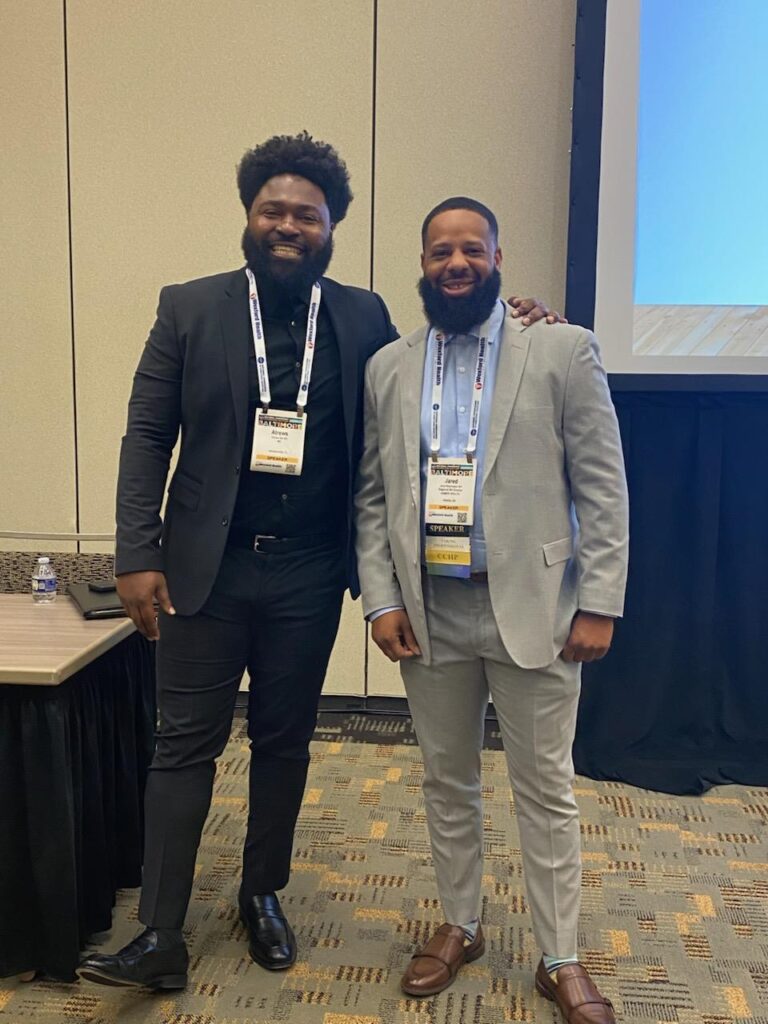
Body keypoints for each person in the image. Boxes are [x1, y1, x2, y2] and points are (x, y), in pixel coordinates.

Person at [77, 137, 557, 992]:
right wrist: (135, 552)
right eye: (274, 210)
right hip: (205, 568)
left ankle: (261, 892)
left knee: (285, 740)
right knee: (182, 744)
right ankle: (160, 930)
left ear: (331, 227)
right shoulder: (189, 307)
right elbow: (146, 434)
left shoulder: (363, 316)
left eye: (307, 214)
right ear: (249, 217)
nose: (288, 225)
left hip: (307, 572)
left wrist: (518, 321)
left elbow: (433, 371)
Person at [354, 196, 629, 1022]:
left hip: (537, 608)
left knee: (545, 788)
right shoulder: (389, 366)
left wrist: (600, 601)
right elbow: (373, 497)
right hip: (430, 609)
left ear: (498, 259)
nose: (456, 263)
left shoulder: (562, 349)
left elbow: (603, 487)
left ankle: (560, 956)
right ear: (423, 264)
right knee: (448, 780)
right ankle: (461, 924)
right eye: (441, 251)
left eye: (472, 249)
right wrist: (380, 599)